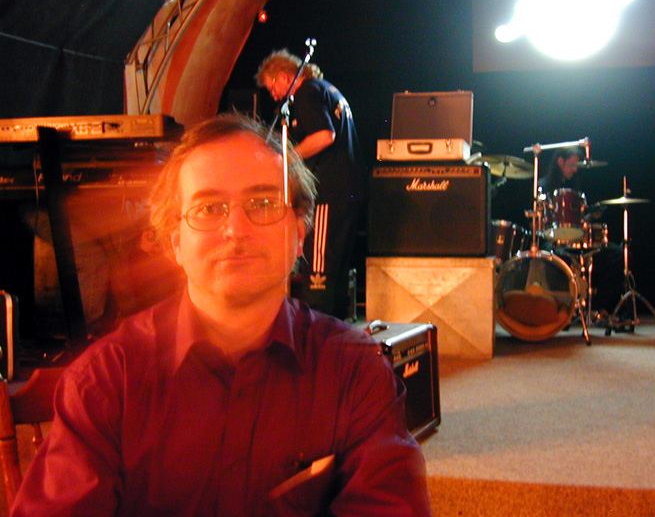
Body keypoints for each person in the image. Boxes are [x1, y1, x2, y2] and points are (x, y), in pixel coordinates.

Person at [11, 114, 431, 517]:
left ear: (299, 233)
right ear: (175, 243)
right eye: (209, 209)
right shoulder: (104, 381)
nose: (236, 230)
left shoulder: (356, 370)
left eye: (263, 203)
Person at [256, 50, 367, 320]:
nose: (274, 95)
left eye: (272, 87)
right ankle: (337, 328)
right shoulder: (326, 89)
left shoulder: (307, 92)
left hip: (329, 190)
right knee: (336, 269)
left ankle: (319, 328)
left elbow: (324, 135)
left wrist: (286, 159)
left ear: (284, 76)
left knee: (319, 266)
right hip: (348, 189)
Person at [537, 147, 624, 316]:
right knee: (553, 256)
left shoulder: (575, 187)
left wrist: (589, 215)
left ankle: (599, 307)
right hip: (553, 240)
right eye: (572, 165)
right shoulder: (543, 187)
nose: (575, 169)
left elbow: (577, 221)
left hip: (576, 240)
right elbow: (541, 224)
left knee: (617, 254)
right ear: (560, 161)